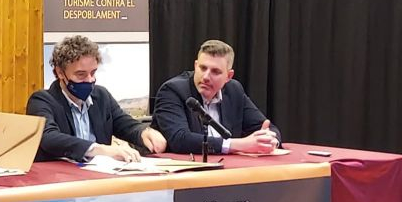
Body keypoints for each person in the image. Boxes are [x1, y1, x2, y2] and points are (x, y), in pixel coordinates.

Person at [27, 35, 167, 162]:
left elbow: (124, 124)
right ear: (60, 73)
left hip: (100, 176)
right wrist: (99, 150)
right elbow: (48, 137)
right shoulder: (42, 100)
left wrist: (144, 132)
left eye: (93, 73)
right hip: (61, 177)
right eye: (81, 74)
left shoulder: (101, 96)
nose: (90, 80)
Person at [151, 39, 280, 155]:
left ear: (228, 76)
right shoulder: (173, 90)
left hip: (229, 169)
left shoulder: (234, 90)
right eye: (203, 68)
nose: (206, 77)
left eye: (215, 72)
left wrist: (269, 140)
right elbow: (180, 139)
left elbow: (267, 127)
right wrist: (240, 145)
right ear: (195, 66)